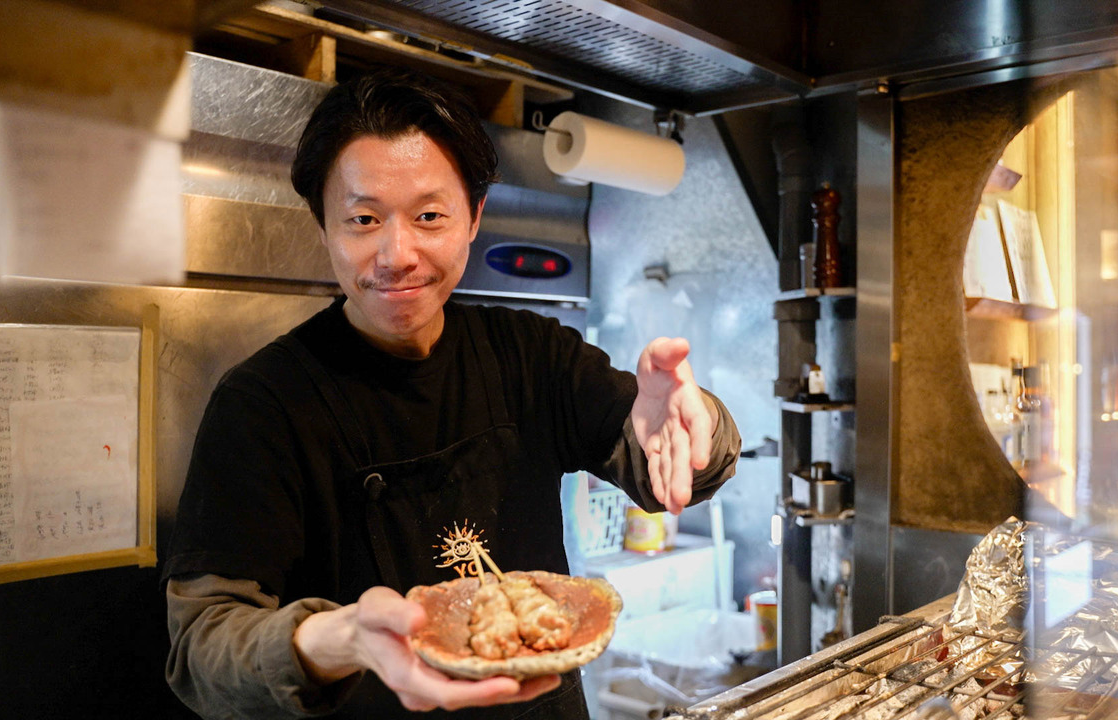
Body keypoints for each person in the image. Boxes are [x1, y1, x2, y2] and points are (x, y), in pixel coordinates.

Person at [161, 67, 741, 719]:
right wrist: (335, 637)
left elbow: (659, 459)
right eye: (363, 218)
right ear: (323, 226)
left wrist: (698, 429)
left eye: (429, 215)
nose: (396, 253)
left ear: (474, 216)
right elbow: (201, 647)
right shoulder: (264, 404)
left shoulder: (530, 354)